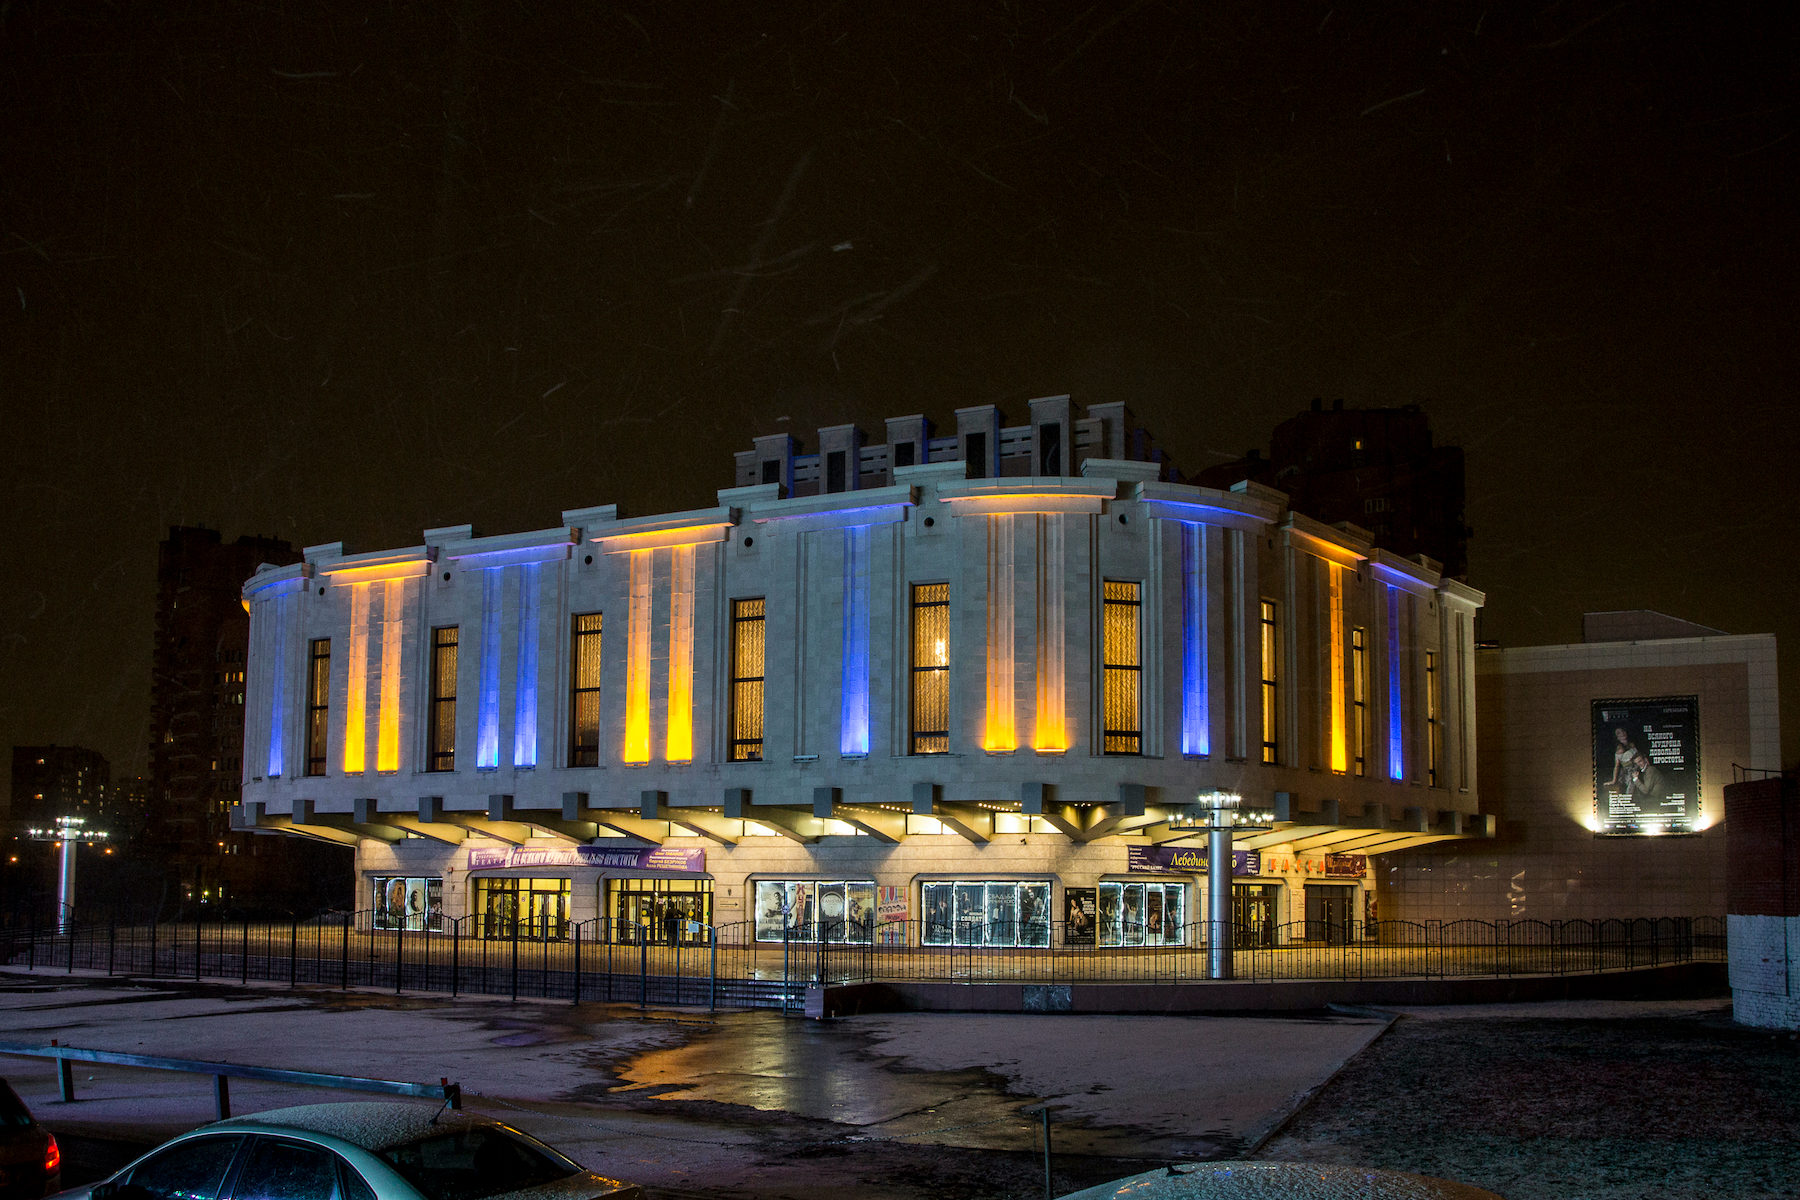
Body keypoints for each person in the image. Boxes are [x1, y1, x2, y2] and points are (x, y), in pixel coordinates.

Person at [1607, 726, 1641, 798]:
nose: (1622, 733)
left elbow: (1639, 756)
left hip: (1639, 766)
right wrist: (1614, 780)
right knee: (1631, 782)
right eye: (1619, 733)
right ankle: (1627, 799)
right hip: (1629, 770)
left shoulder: (1631, 744)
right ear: (1617, 737)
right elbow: (1617, 766)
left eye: (1623, 731)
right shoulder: (1619, 749)